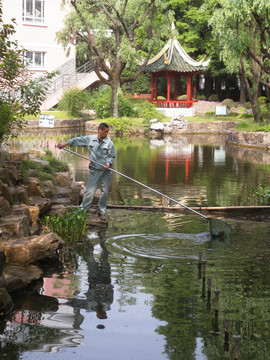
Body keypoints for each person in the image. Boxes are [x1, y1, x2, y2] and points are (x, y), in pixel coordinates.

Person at [56, 123, 115, 221]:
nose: (107, 134)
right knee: (89, 191)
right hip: (95, 169)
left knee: (104, 192)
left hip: (106, 171)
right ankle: (83, 210)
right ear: (100, 130)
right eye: (105, 132)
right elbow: (76, 140)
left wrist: (108, 163)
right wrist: (64, 144)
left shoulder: (109, 143)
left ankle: (102, 211)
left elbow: (112, 156)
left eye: (107, 132)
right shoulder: (90, 139)